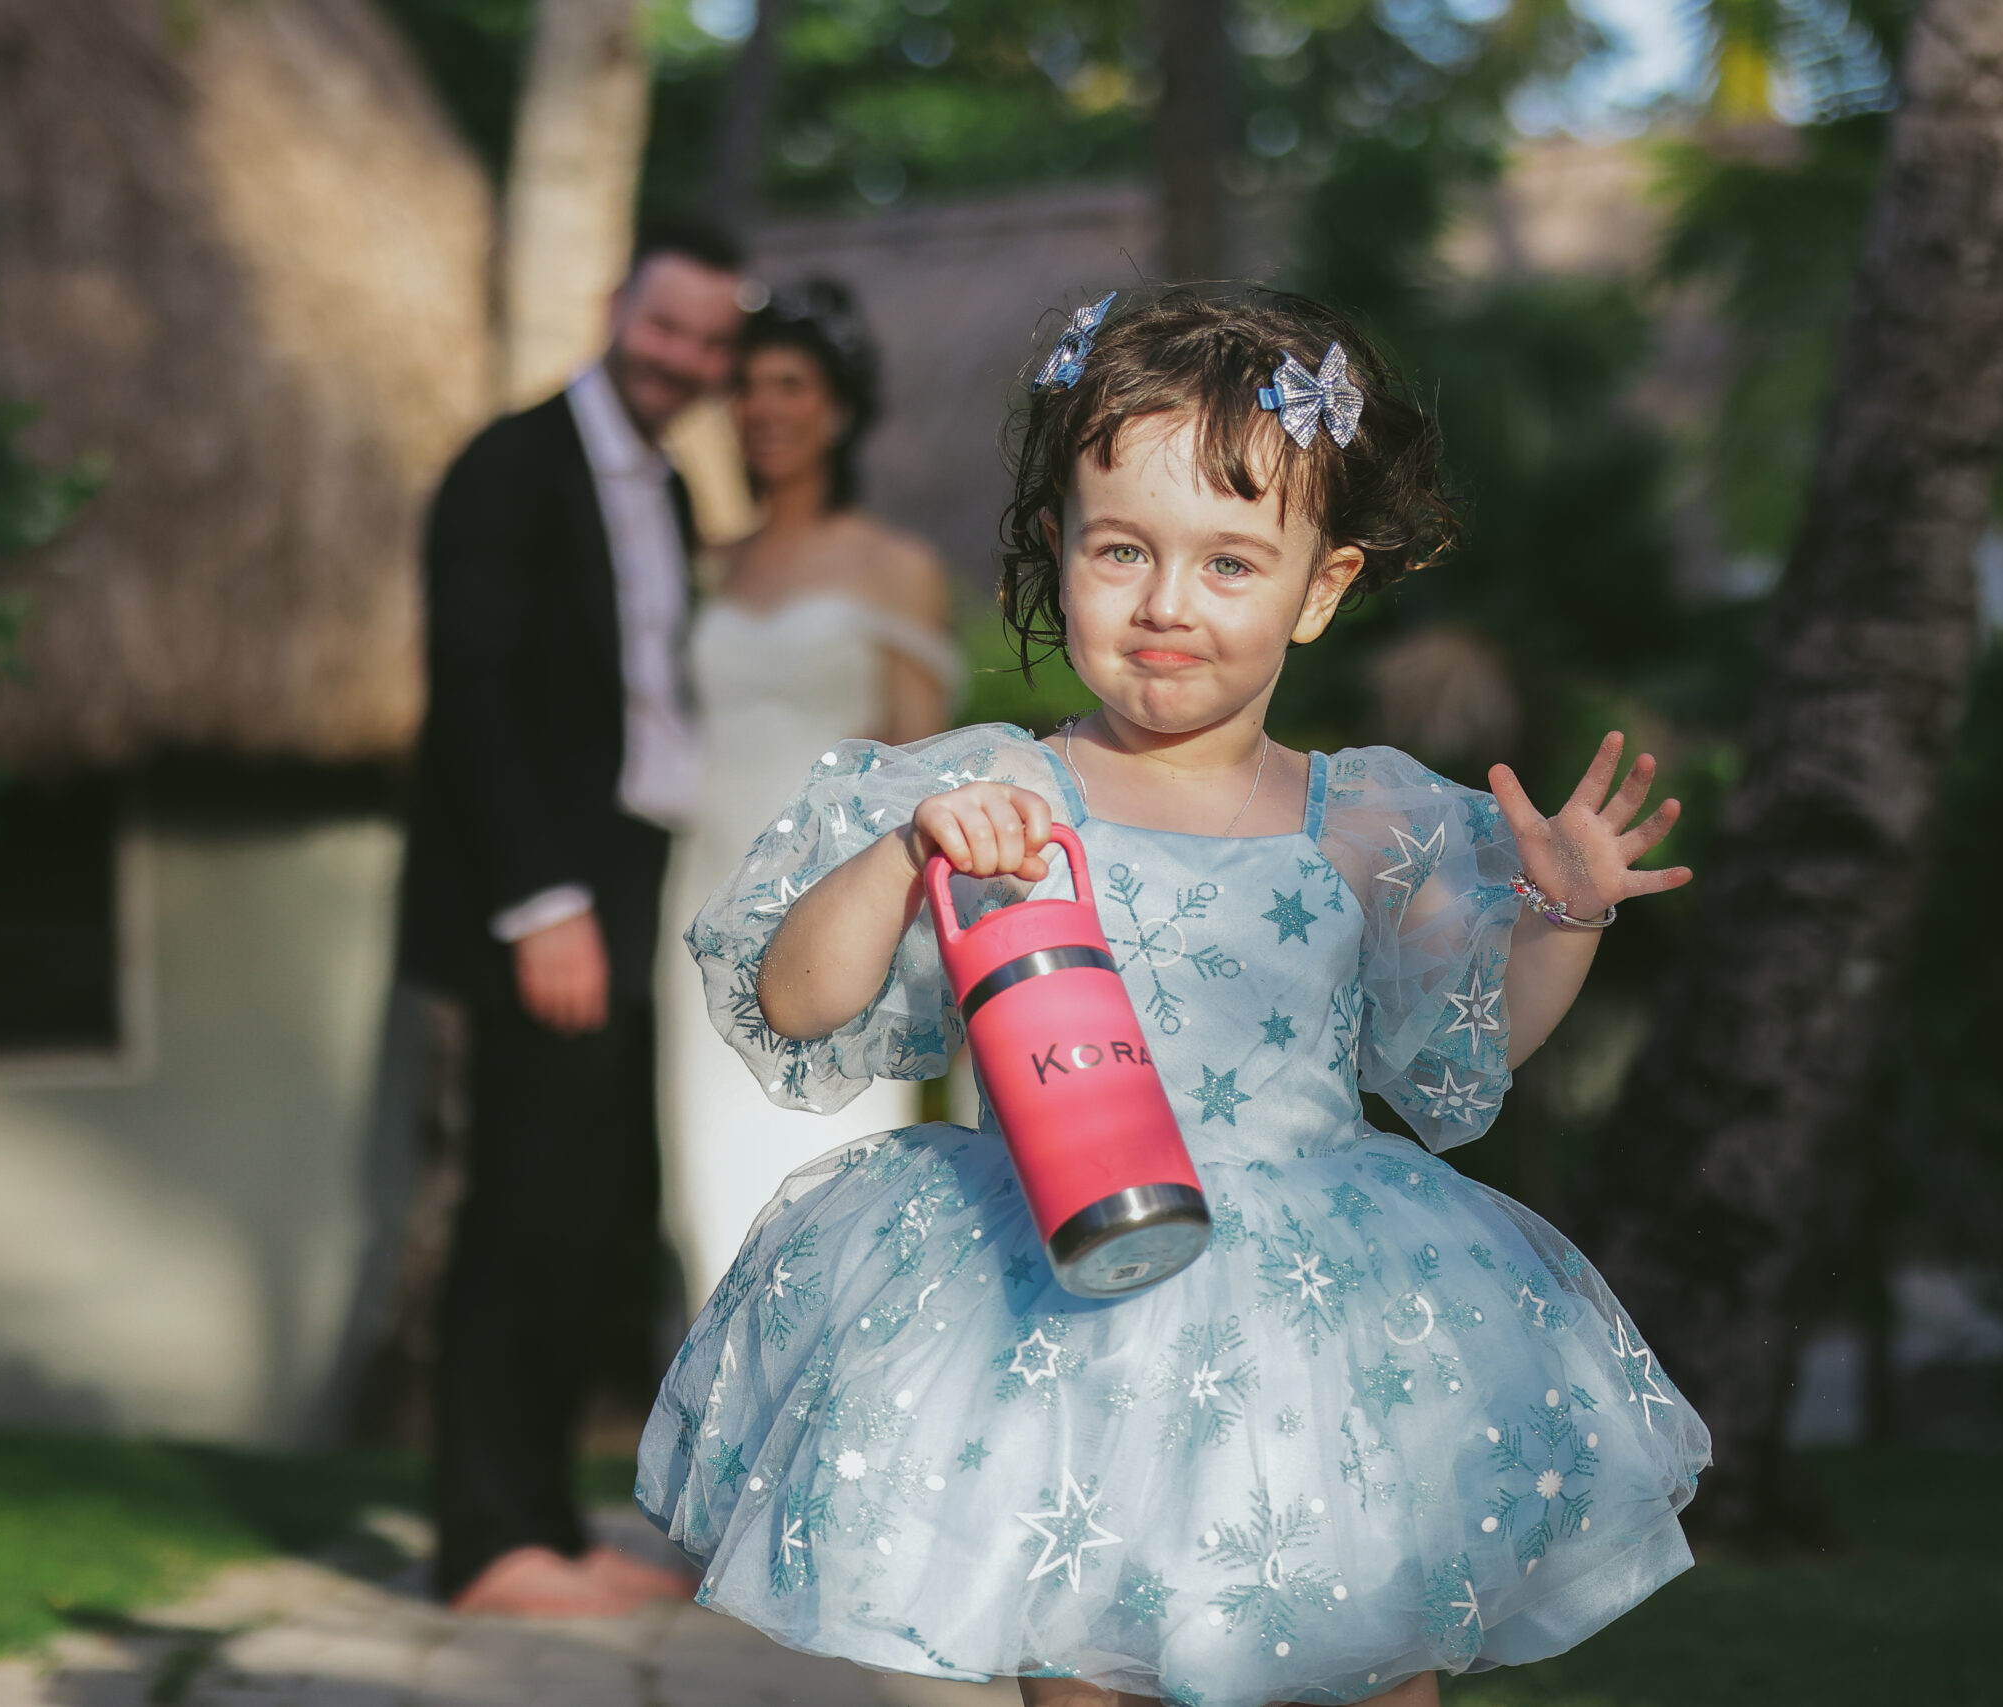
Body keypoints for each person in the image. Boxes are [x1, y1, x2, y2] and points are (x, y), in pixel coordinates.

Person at [636, 289, 1711, 1704]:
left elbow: (1461, 1056)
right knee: (1095, 1666)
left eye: (1229, 563)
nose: (1165, 603)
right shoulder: (1001, 792)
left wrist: (1561, 916)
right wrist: (910, 855)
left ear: (1320, 588)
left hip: (1324, 1325)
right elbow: (797, 992)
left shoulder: (1362, 818)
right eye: (1123, 549)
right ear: (1058, 549)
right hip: (1067, 1305)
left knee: (1379, 1671)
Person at [397, 219, 745, 1618]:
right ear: (618, 310)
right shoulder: (509, 465)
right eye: (668, 327)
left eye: (711, 341)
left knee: (589, 1211)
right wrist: (544, 902)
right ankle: (483, 1545)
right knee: (521, 1205)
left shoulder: (660, 491)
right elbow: (472, 699)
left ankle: (542, 1515)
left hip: (630, 866)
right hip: (536, 884)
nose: (685, 358)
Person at [661, 277, 960, 1312]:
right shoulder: (703, 565)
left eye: (789, 384)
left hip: (832, 911)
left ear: (837, 406)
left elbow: (922, 769)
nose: (764, 409)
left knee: (826, 1195)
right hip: (695, 900)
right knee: (706, 1189)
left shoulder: (894, 567)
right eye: (745, 387)